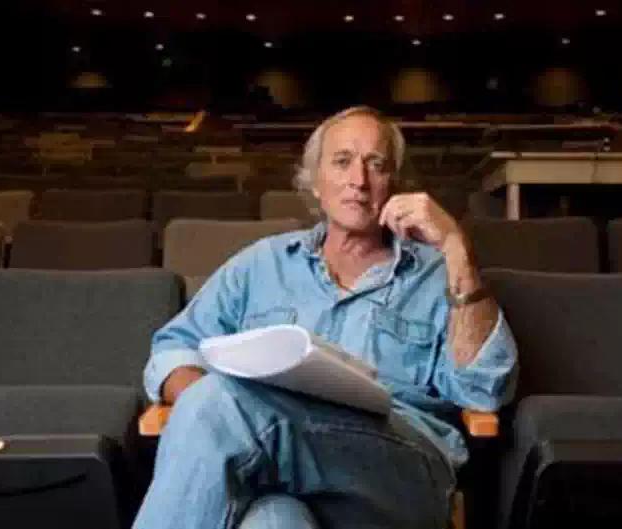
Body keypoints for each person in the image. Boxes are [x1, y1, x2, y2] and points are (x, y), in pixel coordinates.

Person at [133, 106, 518, 529]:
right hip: (279, 463)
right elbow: (174, 347)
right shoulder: (261, 264)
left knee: (220, 406)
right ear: (315, 182)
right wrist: (220, 406)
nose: (359, 180)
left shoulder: (436, 274)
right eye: (342, 161)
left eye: (376, 164)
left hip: (398, 473)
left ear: (395, 183)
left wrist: (457, 248)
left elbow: (483, 391)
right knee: (273, 521)